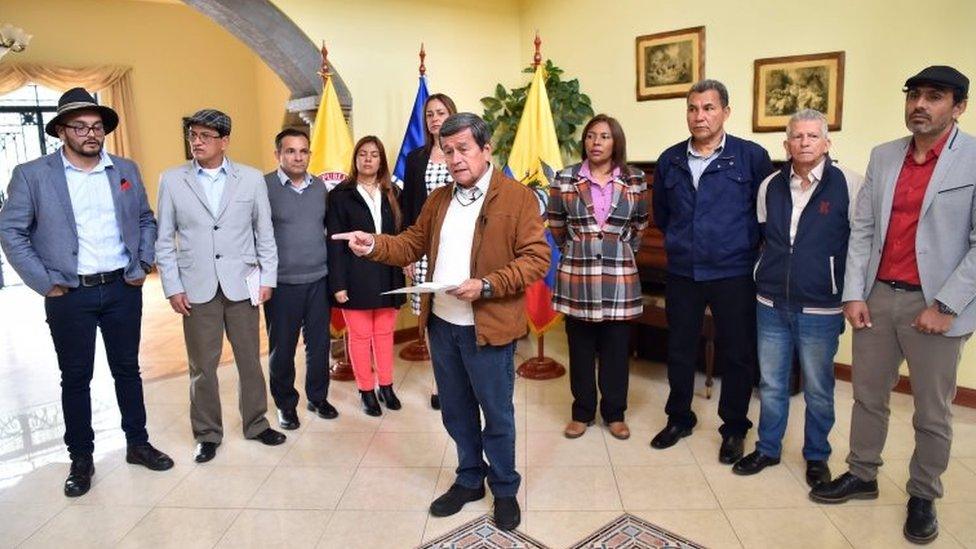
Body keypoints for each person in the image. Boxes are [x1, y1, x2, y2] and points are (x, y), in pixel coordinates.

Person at [332, 113, 549, 531]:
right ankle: (469, 478)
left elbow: (536, 259)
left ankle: (503, 488)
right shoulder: (440, 199)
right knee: (455, 410)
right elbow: (412, 243)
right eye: (447, 151)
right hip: (443, 326)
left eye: (463, 149)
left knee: (497, 414)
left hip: (489, 328)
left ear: (487, 150)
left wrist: (486, 285)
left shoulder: (517, 197)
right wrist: (372, 244)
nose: (454, 158)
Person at [810, 66, 975, 545]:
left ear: (958, 106)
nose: (920, 105)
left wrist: (945, 304)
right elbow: (862, 230)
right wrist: (856, 293)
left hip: (936, 305)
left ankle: (923, 494)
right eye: (915, 96)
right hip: (878, 297)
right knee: (868, 396)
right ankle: (862, 474)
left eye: (935, 97)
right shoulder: (884, 157)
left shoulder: (972, 158)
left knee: (932, 410)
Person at [0, 87, 173, 497]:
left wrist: (143, 263)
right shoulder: (33, 174)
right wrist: (45, 281)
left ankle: (138, 443)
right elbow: (11, 231)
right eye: (80, 126)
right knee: (75, 377)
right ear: (62, 131)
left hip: (121, 288)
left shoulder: (125, 169)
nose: (90, 134)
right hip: (69, 294)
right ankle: (81, 457)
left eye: (97, 127)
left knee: (127, 370)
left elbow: (147, 219)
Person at [732, 109, 863, 487]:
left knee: (819, 389)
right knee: (771, 384)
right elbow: (764, 236)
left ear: (827, 142)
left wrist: (851, 294)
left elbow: (859, 245)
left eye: (812, 136)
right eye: (797, 137)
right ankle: (768, 448)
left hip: (821, 307)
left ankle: (817, 456)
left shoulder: (849, 185)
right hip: (771, 304)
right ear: (786, 143)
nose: (804, 143)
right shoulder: (769, 185)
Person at [651, 79, 774, 464]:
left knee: (737, 353)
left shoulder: (751, 156)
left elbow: (765, 214)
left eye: (708, 108)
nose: (699, 116)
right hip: (684, 271)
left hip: (733, 271)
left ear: (725, 112)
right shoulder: (670, 159)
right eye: (692, 108)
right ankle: (679, 417)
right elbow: (664, 214)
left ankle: (734, 428)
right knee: (680, 349)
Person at [155, 108, 285, 464]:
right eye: (193, 135)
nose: (196, 142)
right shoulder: (171, 179)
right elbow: (164, 239)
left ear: (224, 141)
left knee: (250, 360)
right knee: (202, 366)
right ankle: (207, 433)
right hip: (195, 288)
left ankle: (256, 423)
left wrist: (268, 279)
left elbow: (265, 234)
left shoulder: (251, 179)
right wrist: (172, 286)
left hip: (242, 285)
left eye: (204, 136)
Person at [548, 114, 648, 441]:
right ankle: (582, 412)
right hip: (578, 273)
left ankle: (615, 413)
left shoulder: (634, 180)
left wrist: (617, 250)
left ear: (615, 142)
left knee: (616, 350)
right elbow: (557, 226)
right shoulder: (565, 178)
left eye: (604, 136)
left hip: (619, 275)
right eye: (591, 136)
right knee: (580, 348)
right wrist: (581, 248)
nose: (596, 142)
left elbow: (639, 227)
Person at [326, 136, 406, 416]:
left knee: (384, 335)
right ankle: (366, 391)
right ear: (356, 158)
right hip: (353, 277)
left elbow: (401, 237)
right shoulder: (339, 194)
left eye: (374, 154)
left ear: (382, 160)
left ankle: (386, 386)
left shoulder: (393, 191)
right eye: (363, 154)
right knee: (360, 336)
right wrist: (337, 284)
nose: (368, 159)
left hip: (389, 274)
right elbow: (334, 242)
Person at [263, 128, 336, 430]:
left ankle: (317, 397)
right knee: (282, 347)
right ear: (278, 154)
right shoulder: (263, 187)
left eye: (303, 151)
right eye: (290, 151)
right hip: (282, 283)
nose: (297, 156)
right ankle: (285, 404)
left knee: (319, 345)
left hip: (318, 279)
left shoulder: (320, 188)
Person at [401, 93, 458, 410]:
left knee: (458, 311)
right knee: (432, 318)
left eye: (441, 112)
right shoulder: (415, 159)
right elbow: (409, 209)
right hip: (424, 249)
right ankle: (441, 384)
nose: (435, 118)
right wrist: (408, 253)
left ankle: (463, 381)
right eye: (430, 114)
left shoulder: (462, 153)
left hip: (458, 245)